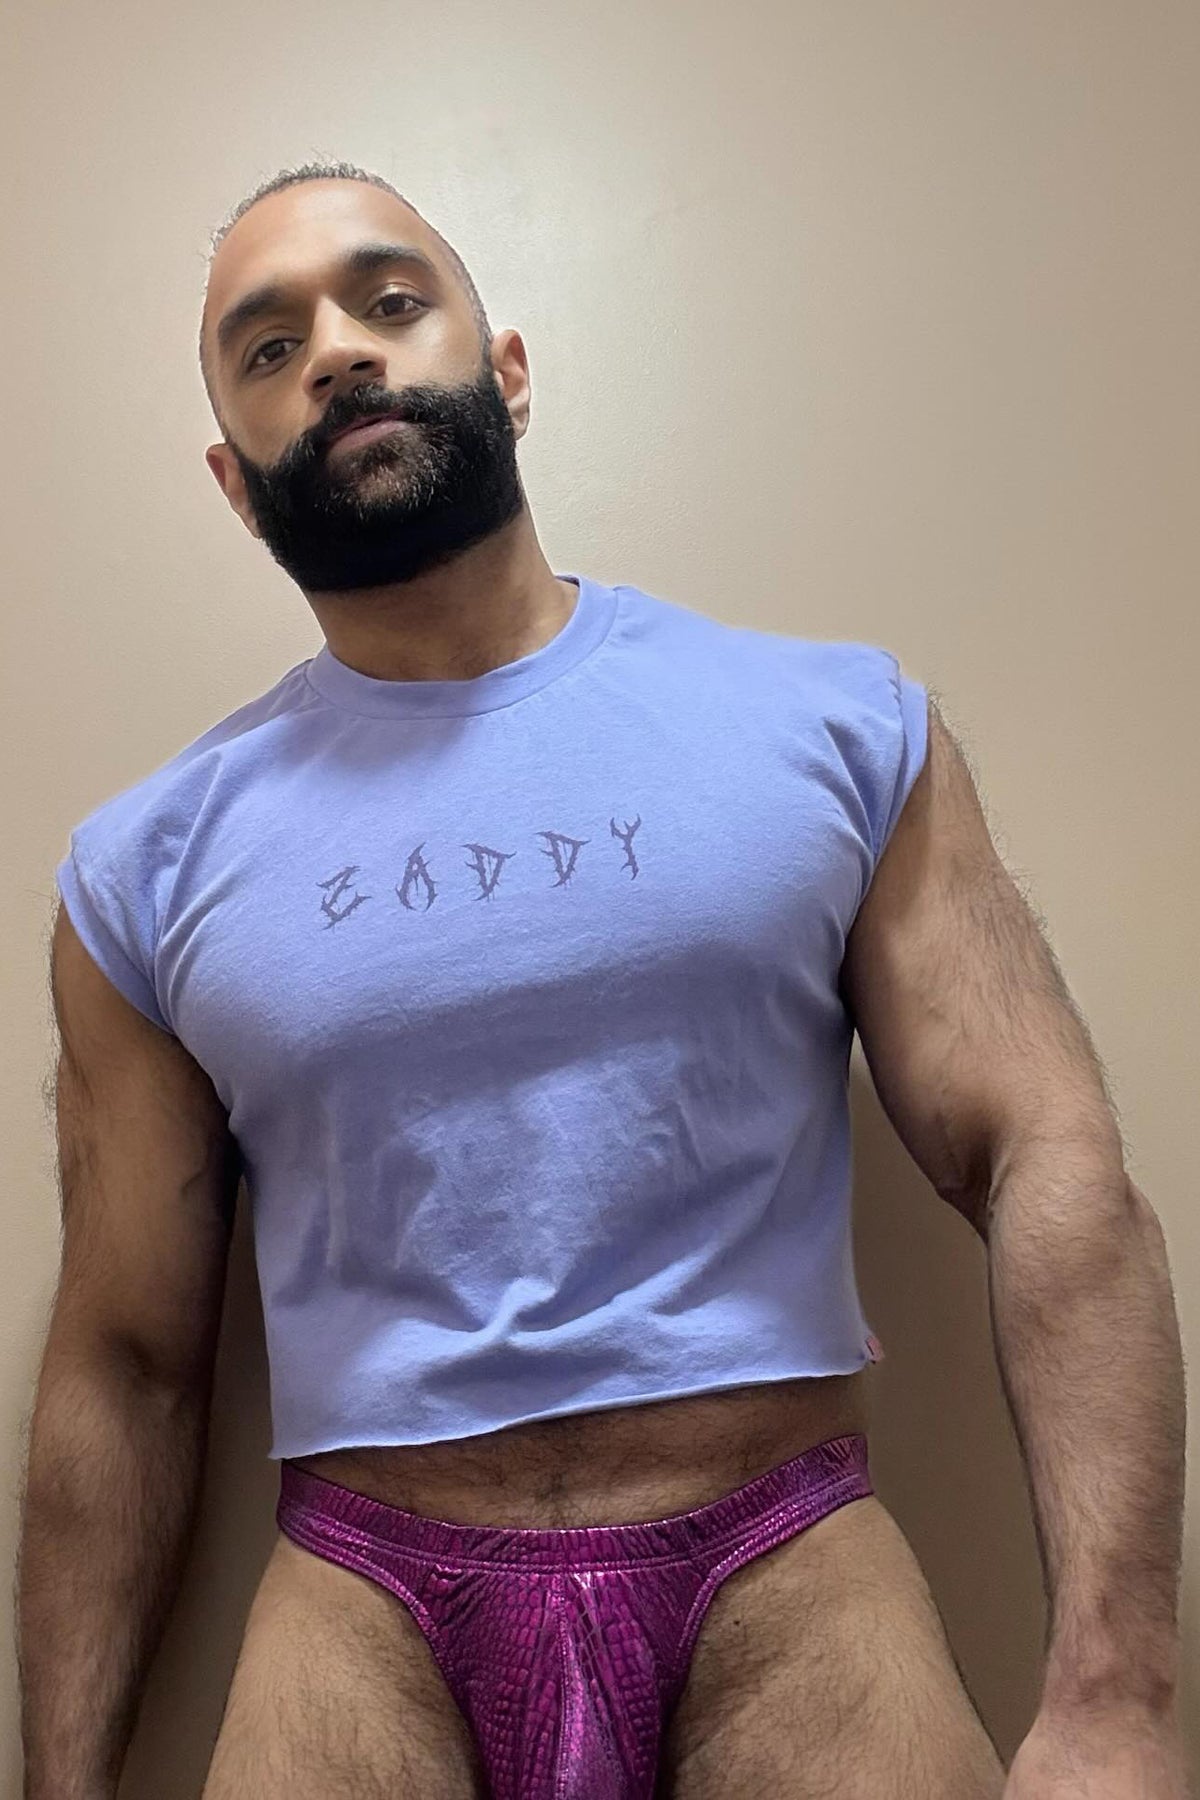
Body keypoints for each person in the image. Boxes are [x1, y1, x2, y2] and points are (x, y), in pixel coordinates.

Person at [17, 160, 1187, 1800]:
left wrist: (1120, 1696)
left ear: (506, 370)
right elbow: (126, 1364)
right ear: (235, 478)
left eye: (391, 300)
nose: (338, 351)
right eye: (268, 348)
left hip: (790, 1583)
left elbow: (1046, 1152)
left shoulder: (834, 733)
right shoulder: (143, 874)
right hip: (363, 1619)